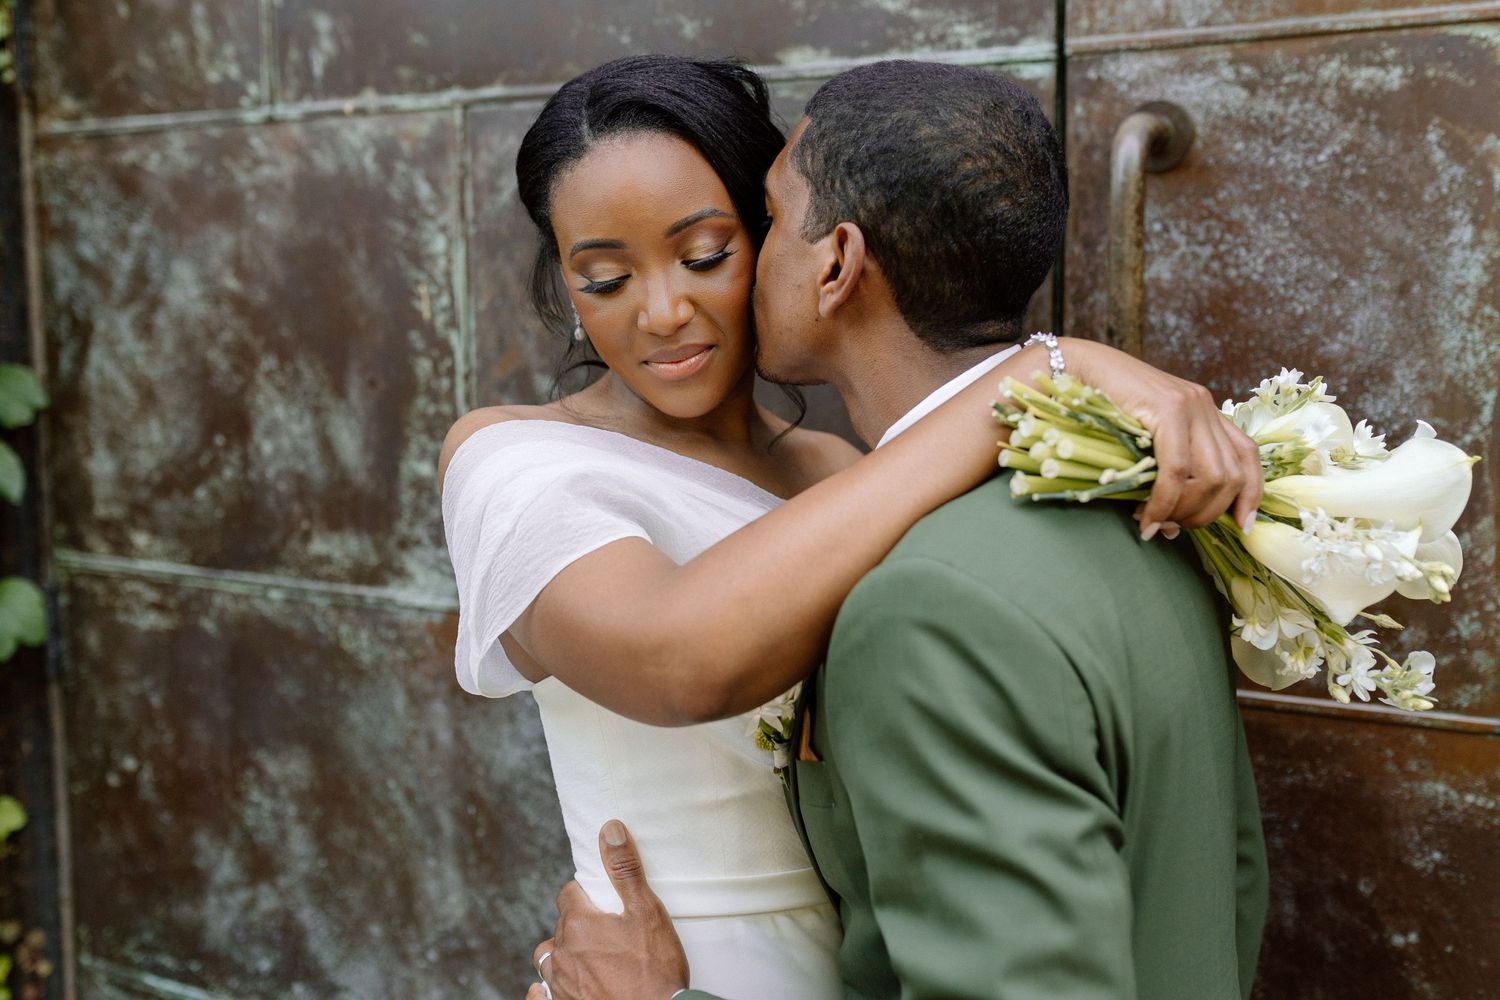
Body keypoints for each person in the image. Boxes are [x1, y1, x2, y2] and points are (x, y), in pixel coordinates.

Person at [438, 56, 1261, 999]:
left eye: (705, 256)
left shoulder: (840, 472)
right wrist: (1038, 370)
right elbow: (676, 660)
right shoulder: (513, 461)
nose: (662, 314)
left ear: (796, 245)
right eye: (604, 278)